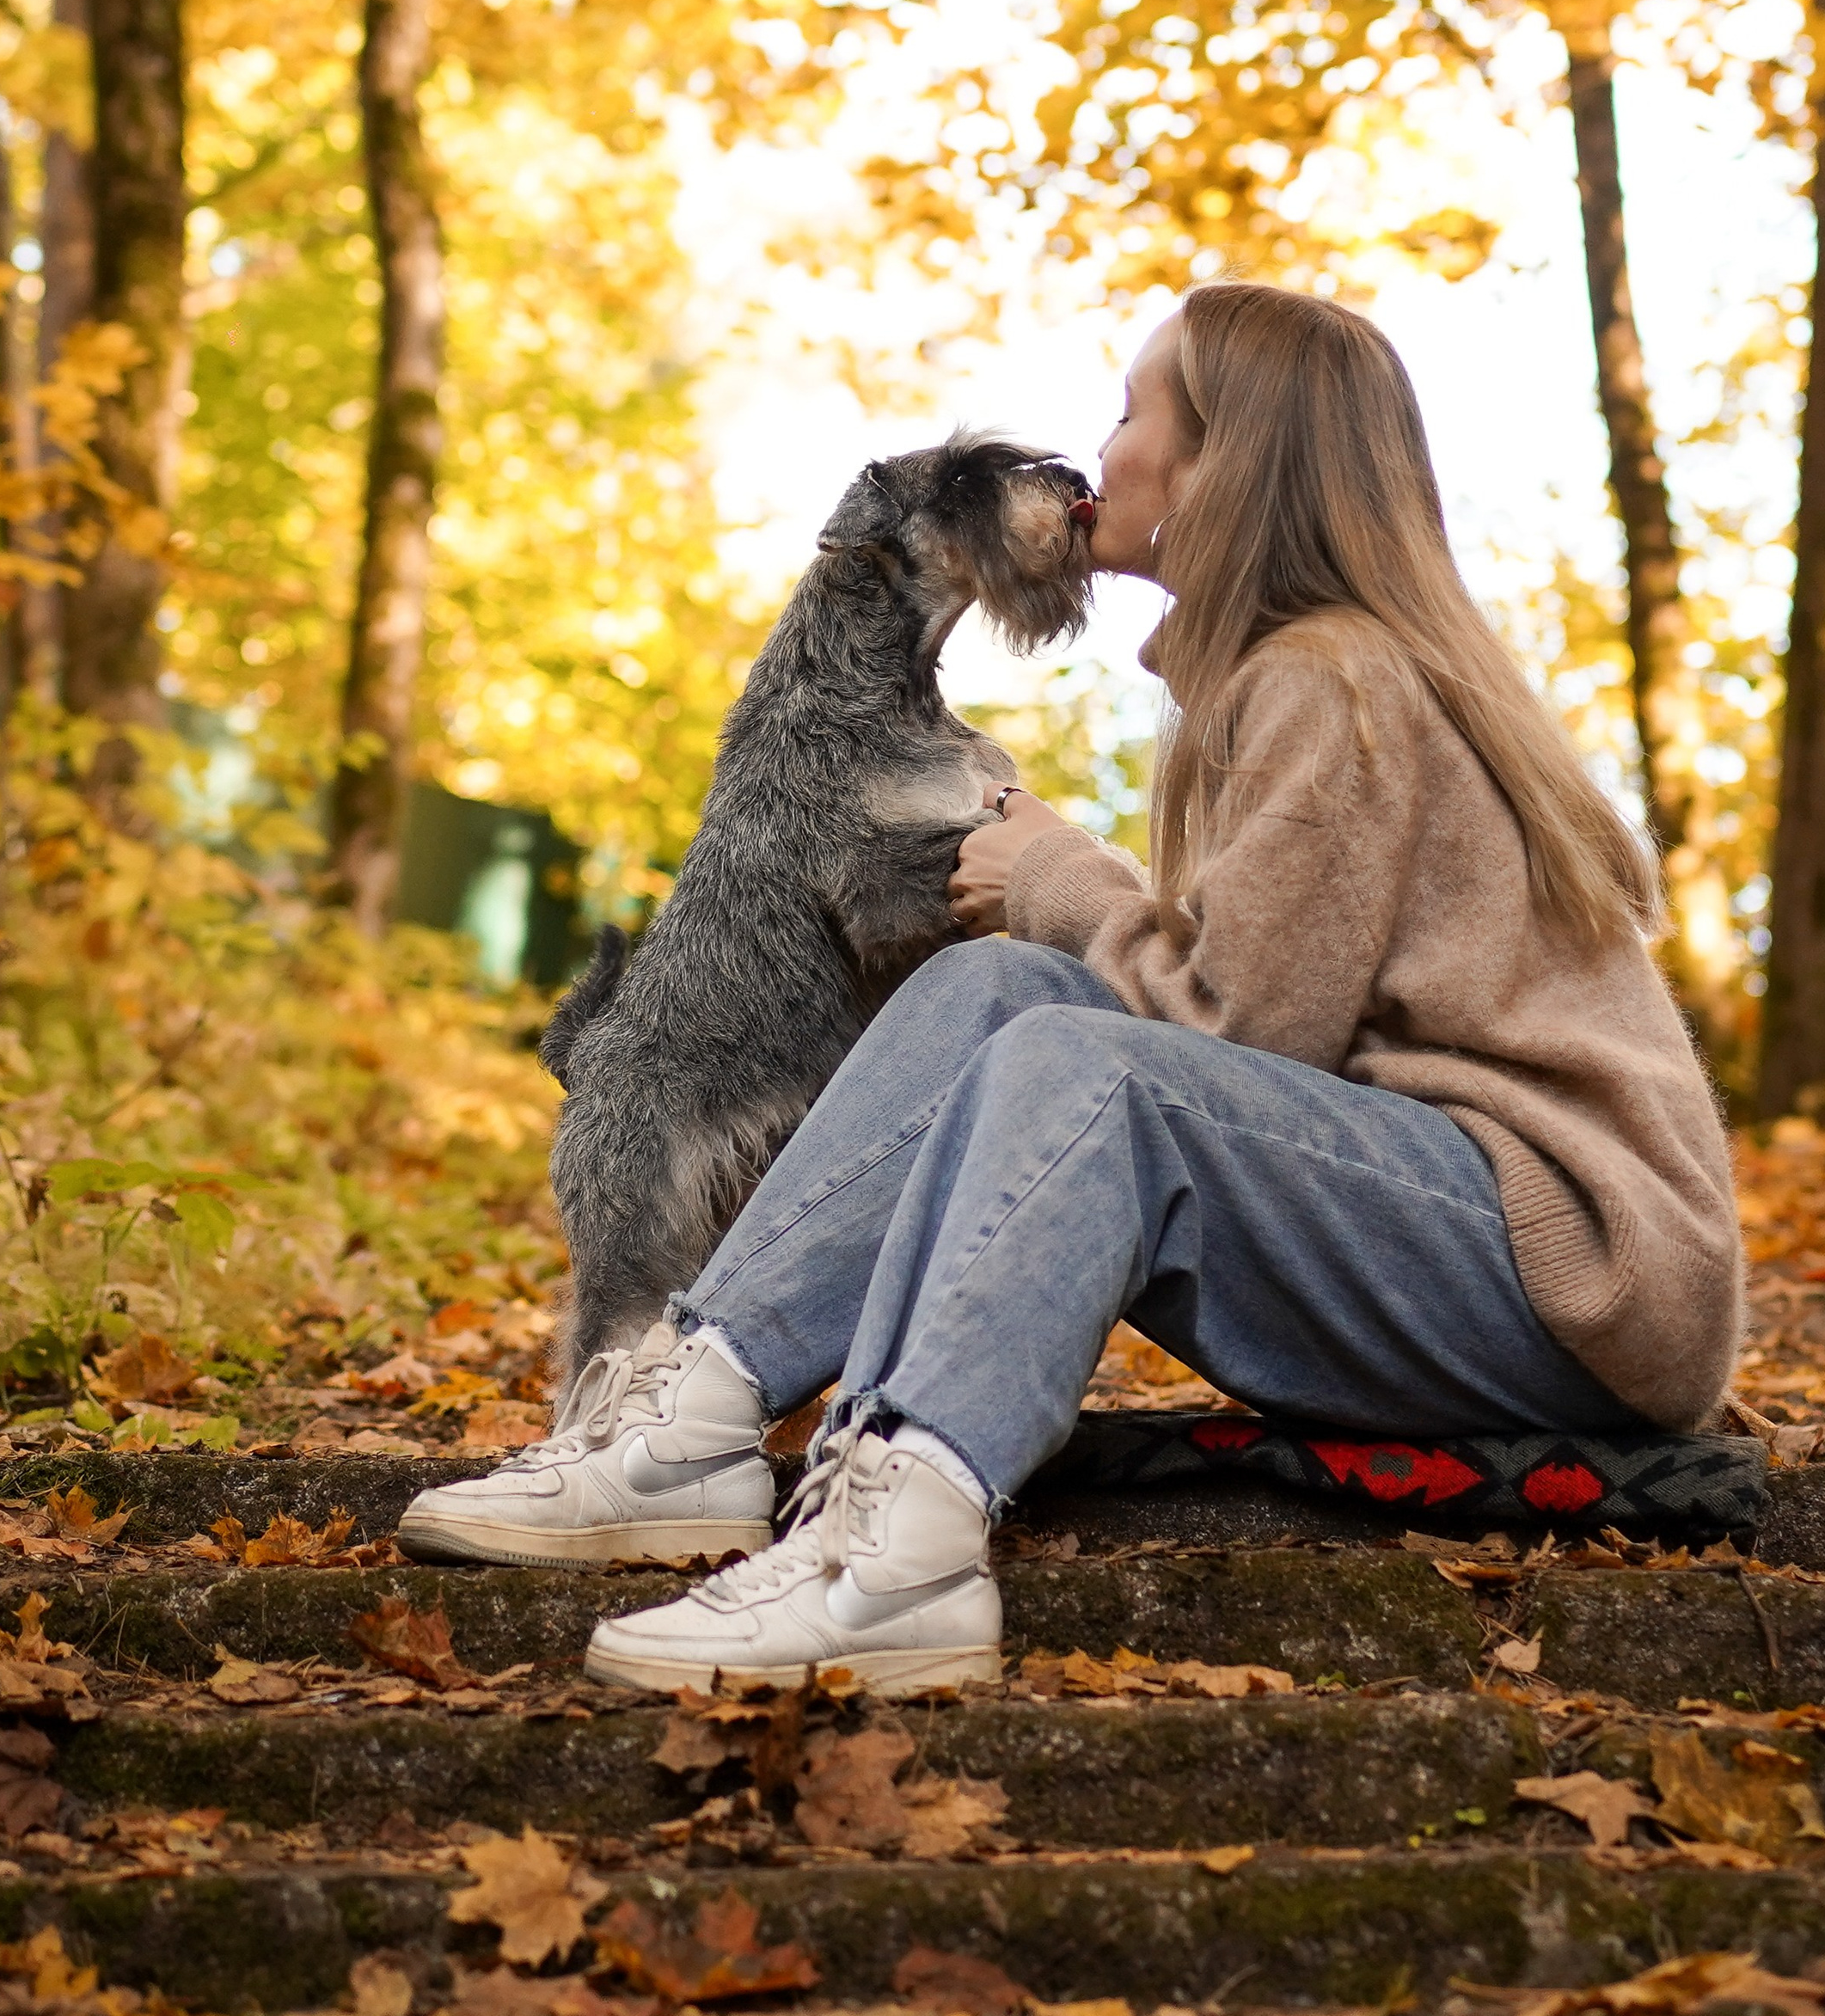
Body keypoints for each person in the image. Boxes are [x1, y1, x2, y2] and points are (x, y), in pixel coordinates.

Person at [400, 284, 1743, 1696]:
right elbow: (1250, 1034)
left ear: (1225, 461)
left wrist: (1056, 867)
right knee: (999, 991)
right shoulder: (1296, 677)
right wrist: (1048, 906)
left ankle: (902, 1548)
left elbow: (1227, 1035)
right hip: (1459, 1243)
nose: (1100, 454)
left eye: (1129, 411)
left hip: (1572, 1273)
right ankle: (688, 1420)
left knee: (1078, 1051)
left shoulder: (1331, 679)